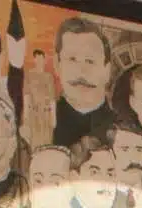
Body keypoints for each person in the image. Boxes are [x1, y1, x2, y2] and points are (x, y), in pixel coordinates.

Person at [51, 16, 114, 146]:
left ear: (107, 70)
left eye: (90, 61)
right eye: (72, 59)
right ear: (57, 64)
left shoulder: (125, 134)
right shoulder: (39, 125)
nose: (81, 71)